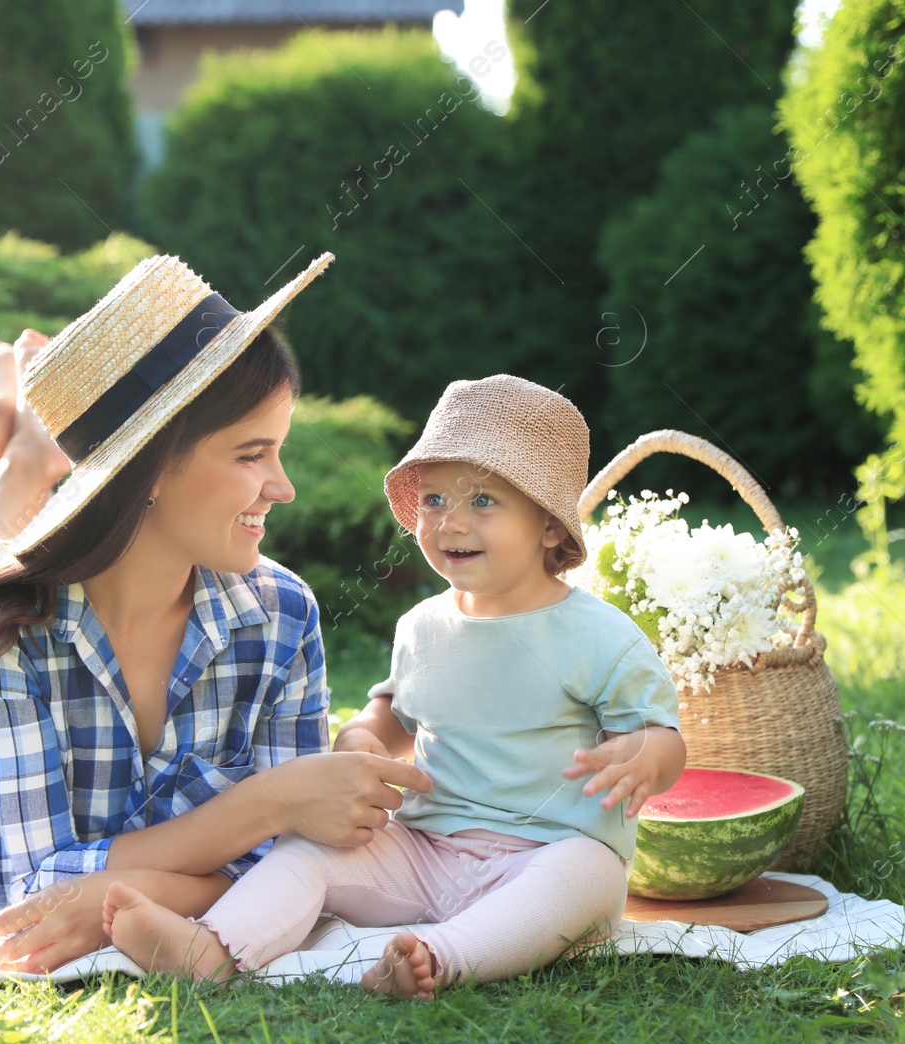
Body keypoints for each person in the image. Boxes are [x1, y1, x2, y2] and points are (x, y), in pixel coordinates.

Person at [0, 252, 433, 975]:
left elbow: (291, 865)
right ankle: (26, 461)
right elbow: (26, 888)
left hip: (84, 553)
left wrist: (117, 885)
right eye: (252, 454)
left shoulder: (282, 616)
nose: (283, 487)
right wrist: (270, 802)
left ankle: (38, 448)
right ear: (152, 467)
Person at [100, 374, 688, 998]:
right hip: (425, 847)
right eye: (434, 501)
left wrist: (643, 755)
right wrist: (363, 736)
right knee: (310, 848)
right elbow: (392, 714)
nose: (449, 523)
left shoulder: (597, 635)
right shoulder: (424, 626)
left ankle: (435, 957)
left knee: (589, 875)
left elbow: (665, 737)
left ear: (548, 526)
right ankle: (213, 946)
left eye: (482, 502)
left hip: (546, 852)